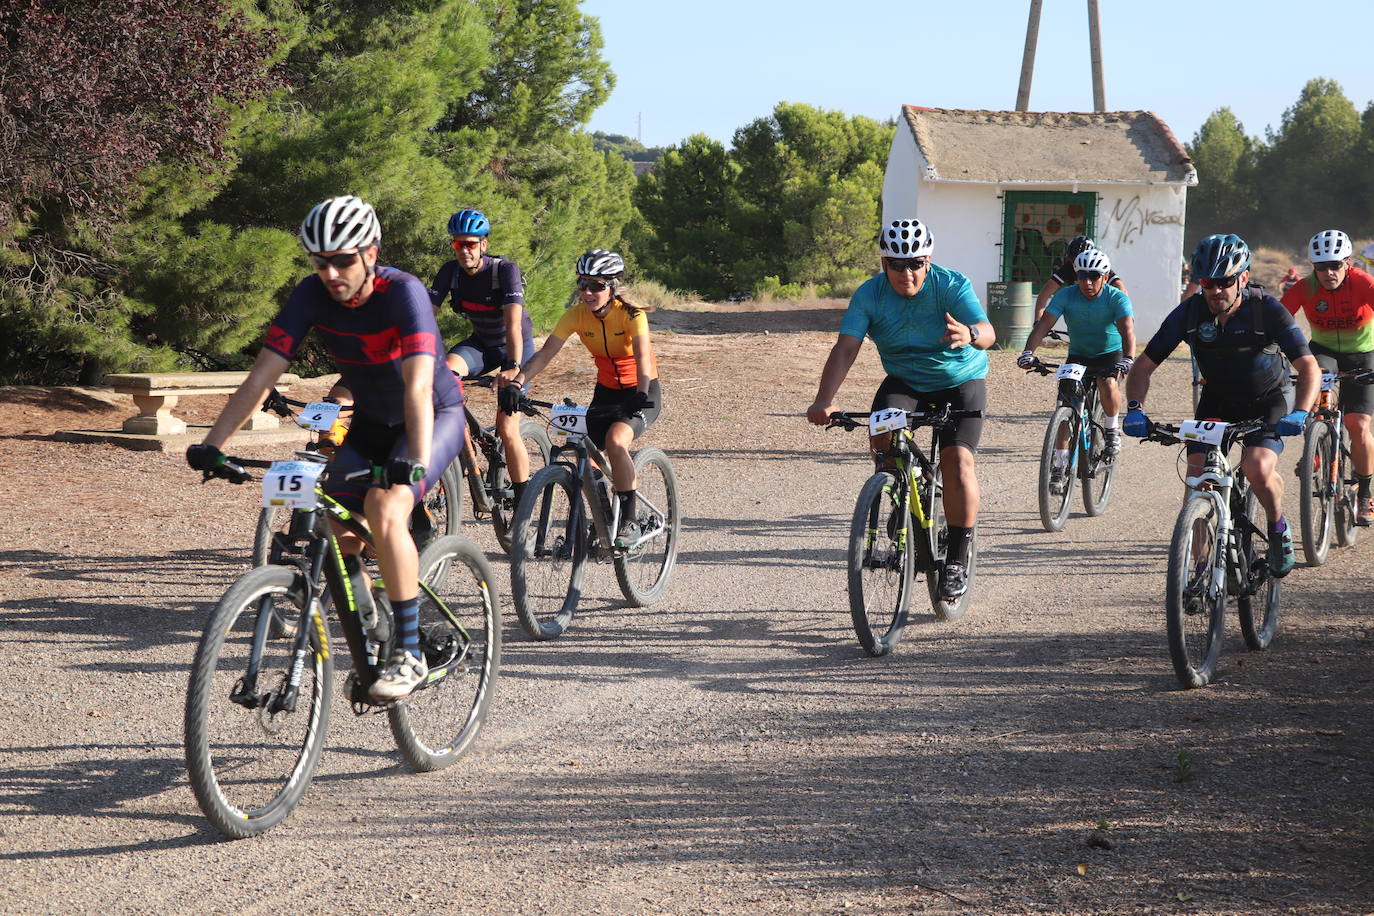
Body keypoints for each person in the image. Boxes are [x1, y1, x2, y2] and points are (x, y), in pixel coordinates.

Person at [186, 195, 467, 699]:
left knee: (386, 506)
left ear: (371, 253)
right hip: (372, 423)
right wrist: (212, 444)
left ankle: (408, 653)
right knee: (335, 529)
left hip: (430, 416)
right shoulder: (311, 295)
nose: (332, 273)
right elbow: (259, 381)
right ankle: (376, 622)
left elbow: (420, 387)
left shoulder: (403, 293)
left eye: (343, 260)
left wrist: (413, 460)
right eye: (321, 262)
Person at [806, 217, 994, 600]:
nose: (906, 273)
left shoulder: (951, 285)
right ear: (883, 264)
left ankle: (957, 558)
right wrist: (824, 400)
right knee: (883, 439)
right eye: (897, 264)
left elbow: (988, 331)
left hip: (960, 381)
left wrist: (970, 334)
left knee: (957, 462)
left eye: (915, 264)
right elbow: (846, 348)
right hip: (906, 380)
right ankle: (896, 491)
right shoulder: (869, 295)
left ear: (928, 262)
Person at [1124, 233, 1320, 577]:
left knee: (1258, 468)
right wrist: (1136, 408)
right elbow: (1143, 366)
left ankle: (1277, 528)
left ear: (1243, 278)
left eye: (1225, 282)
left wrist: (1301, 412)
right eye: (1208, 283)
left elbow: (1308, 368)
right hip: (1218, 400)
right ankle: (1200, 567)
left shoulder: (1266, 310)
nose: (1216, 291)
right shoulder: (1190, 313)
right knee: (1198, 478)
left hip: (1268, 400)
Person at [501, 249, 661, 546]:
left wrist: (640, 394)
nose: (587, 292)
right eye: (583, 284)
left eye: (597, 286)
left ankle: (628, 519)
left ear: (612, 286)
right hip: (607, 391)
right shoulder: (576, 316)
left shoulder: (631, 315)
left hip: (641, 389)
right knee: (587, 457)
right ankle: (603, 517)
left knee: (615, 441)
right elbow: (546, 353)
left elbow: (643, 359)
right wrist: (518, 383)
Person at [428, 208, 535, 503]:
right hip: (482, 345)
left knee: (507, 426)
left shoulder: (504, 271)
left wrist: (513, 367)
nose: (464, 250)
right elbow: (424, 316)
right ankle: (460, 438)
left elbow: (513, 325)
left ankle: (523, 497)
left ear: (483, 245)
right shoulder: (450, 272)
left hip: (516, 347)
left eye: (470, 244)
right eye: (457, 244)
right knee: (444, 374)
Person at [1018, 247, 1136, 490]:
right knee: (1066, 406)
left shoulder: (1116, 298)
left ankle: (1112, 429)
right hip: (1078, 356)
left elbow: (1128, 330)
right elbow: (1044, 325)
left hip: (1109, 354)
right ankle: (1059, 466)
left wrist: (1128, 358)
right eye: (1083, 276)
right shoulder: (1067, 295)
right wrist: (1028, 352)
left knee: (1108, 383)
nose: (1088, 282)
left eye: (1094, 276)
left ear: (1105, 277)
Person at [1280, 229, 1374, 525]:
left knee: (1357, 425)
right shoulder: (1305, 287)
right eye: (1321, 267)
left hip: (1363, 353)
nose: (1329, 273)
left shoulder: (1363, 283)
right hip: (1323, 351)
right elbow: (1277, 319)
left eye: (1336, 265)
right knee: (1317, 386)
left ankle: (1365, 494)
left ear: (1348, 263)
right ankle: (1316, 444)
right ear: (1313, 267)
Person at [1033, 236, 1128, 323]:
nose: (1074, 263)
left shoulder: (1098, 265)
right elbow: (1046, 291)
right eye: (1072, 259)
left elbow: (1121, 288)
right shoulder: (1069, 267)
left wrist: (1122, 315)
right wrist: (1038, 320)